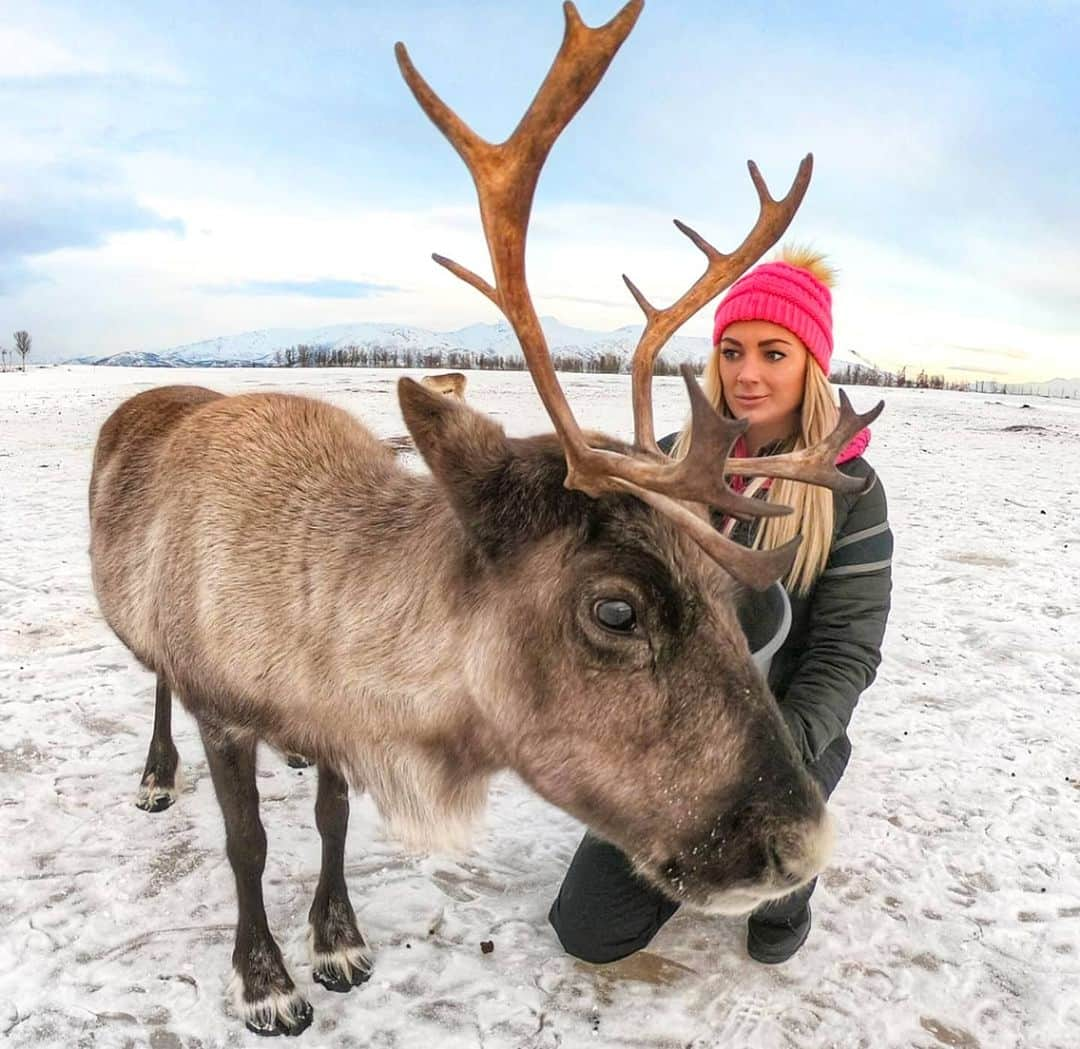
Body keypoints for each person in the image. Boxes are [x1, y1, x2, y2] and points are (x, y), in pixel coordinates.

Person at [548, 246, 893, 965]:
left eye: (774, 352)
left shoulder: (851, 489)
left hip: (786, 733)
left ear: (811, 364)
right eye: (732, 350)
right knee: (586, 930)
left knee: (770, 906)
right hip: (677, 735)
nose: (748, 373)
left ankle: (790, 882)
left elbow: (846, 650)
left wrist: (775, 755)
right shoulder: (672, 459)